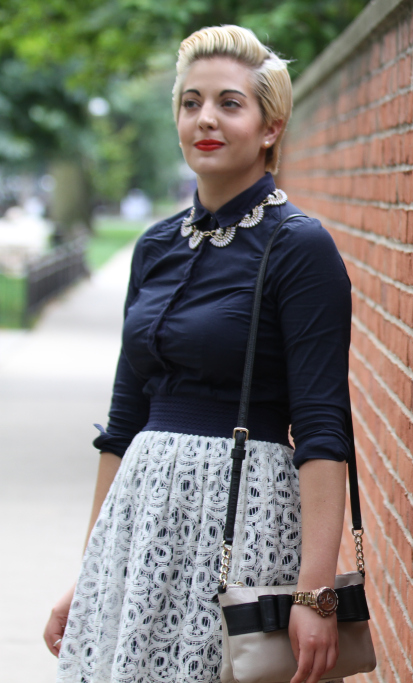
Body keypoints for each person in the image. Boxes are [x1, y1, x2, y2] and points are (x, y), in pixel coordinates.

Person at [44, 25, 354, 683]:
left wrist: (314, 590)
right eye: (190, 102)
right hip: (140, 519)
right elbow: (122, 424)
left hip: (244, 520)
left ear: (270, 127)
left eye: (228, 103)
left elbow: (324, 430)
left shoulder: (299, 248)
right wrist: (93, 567)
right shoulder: (153, 247)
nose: (205, 118)